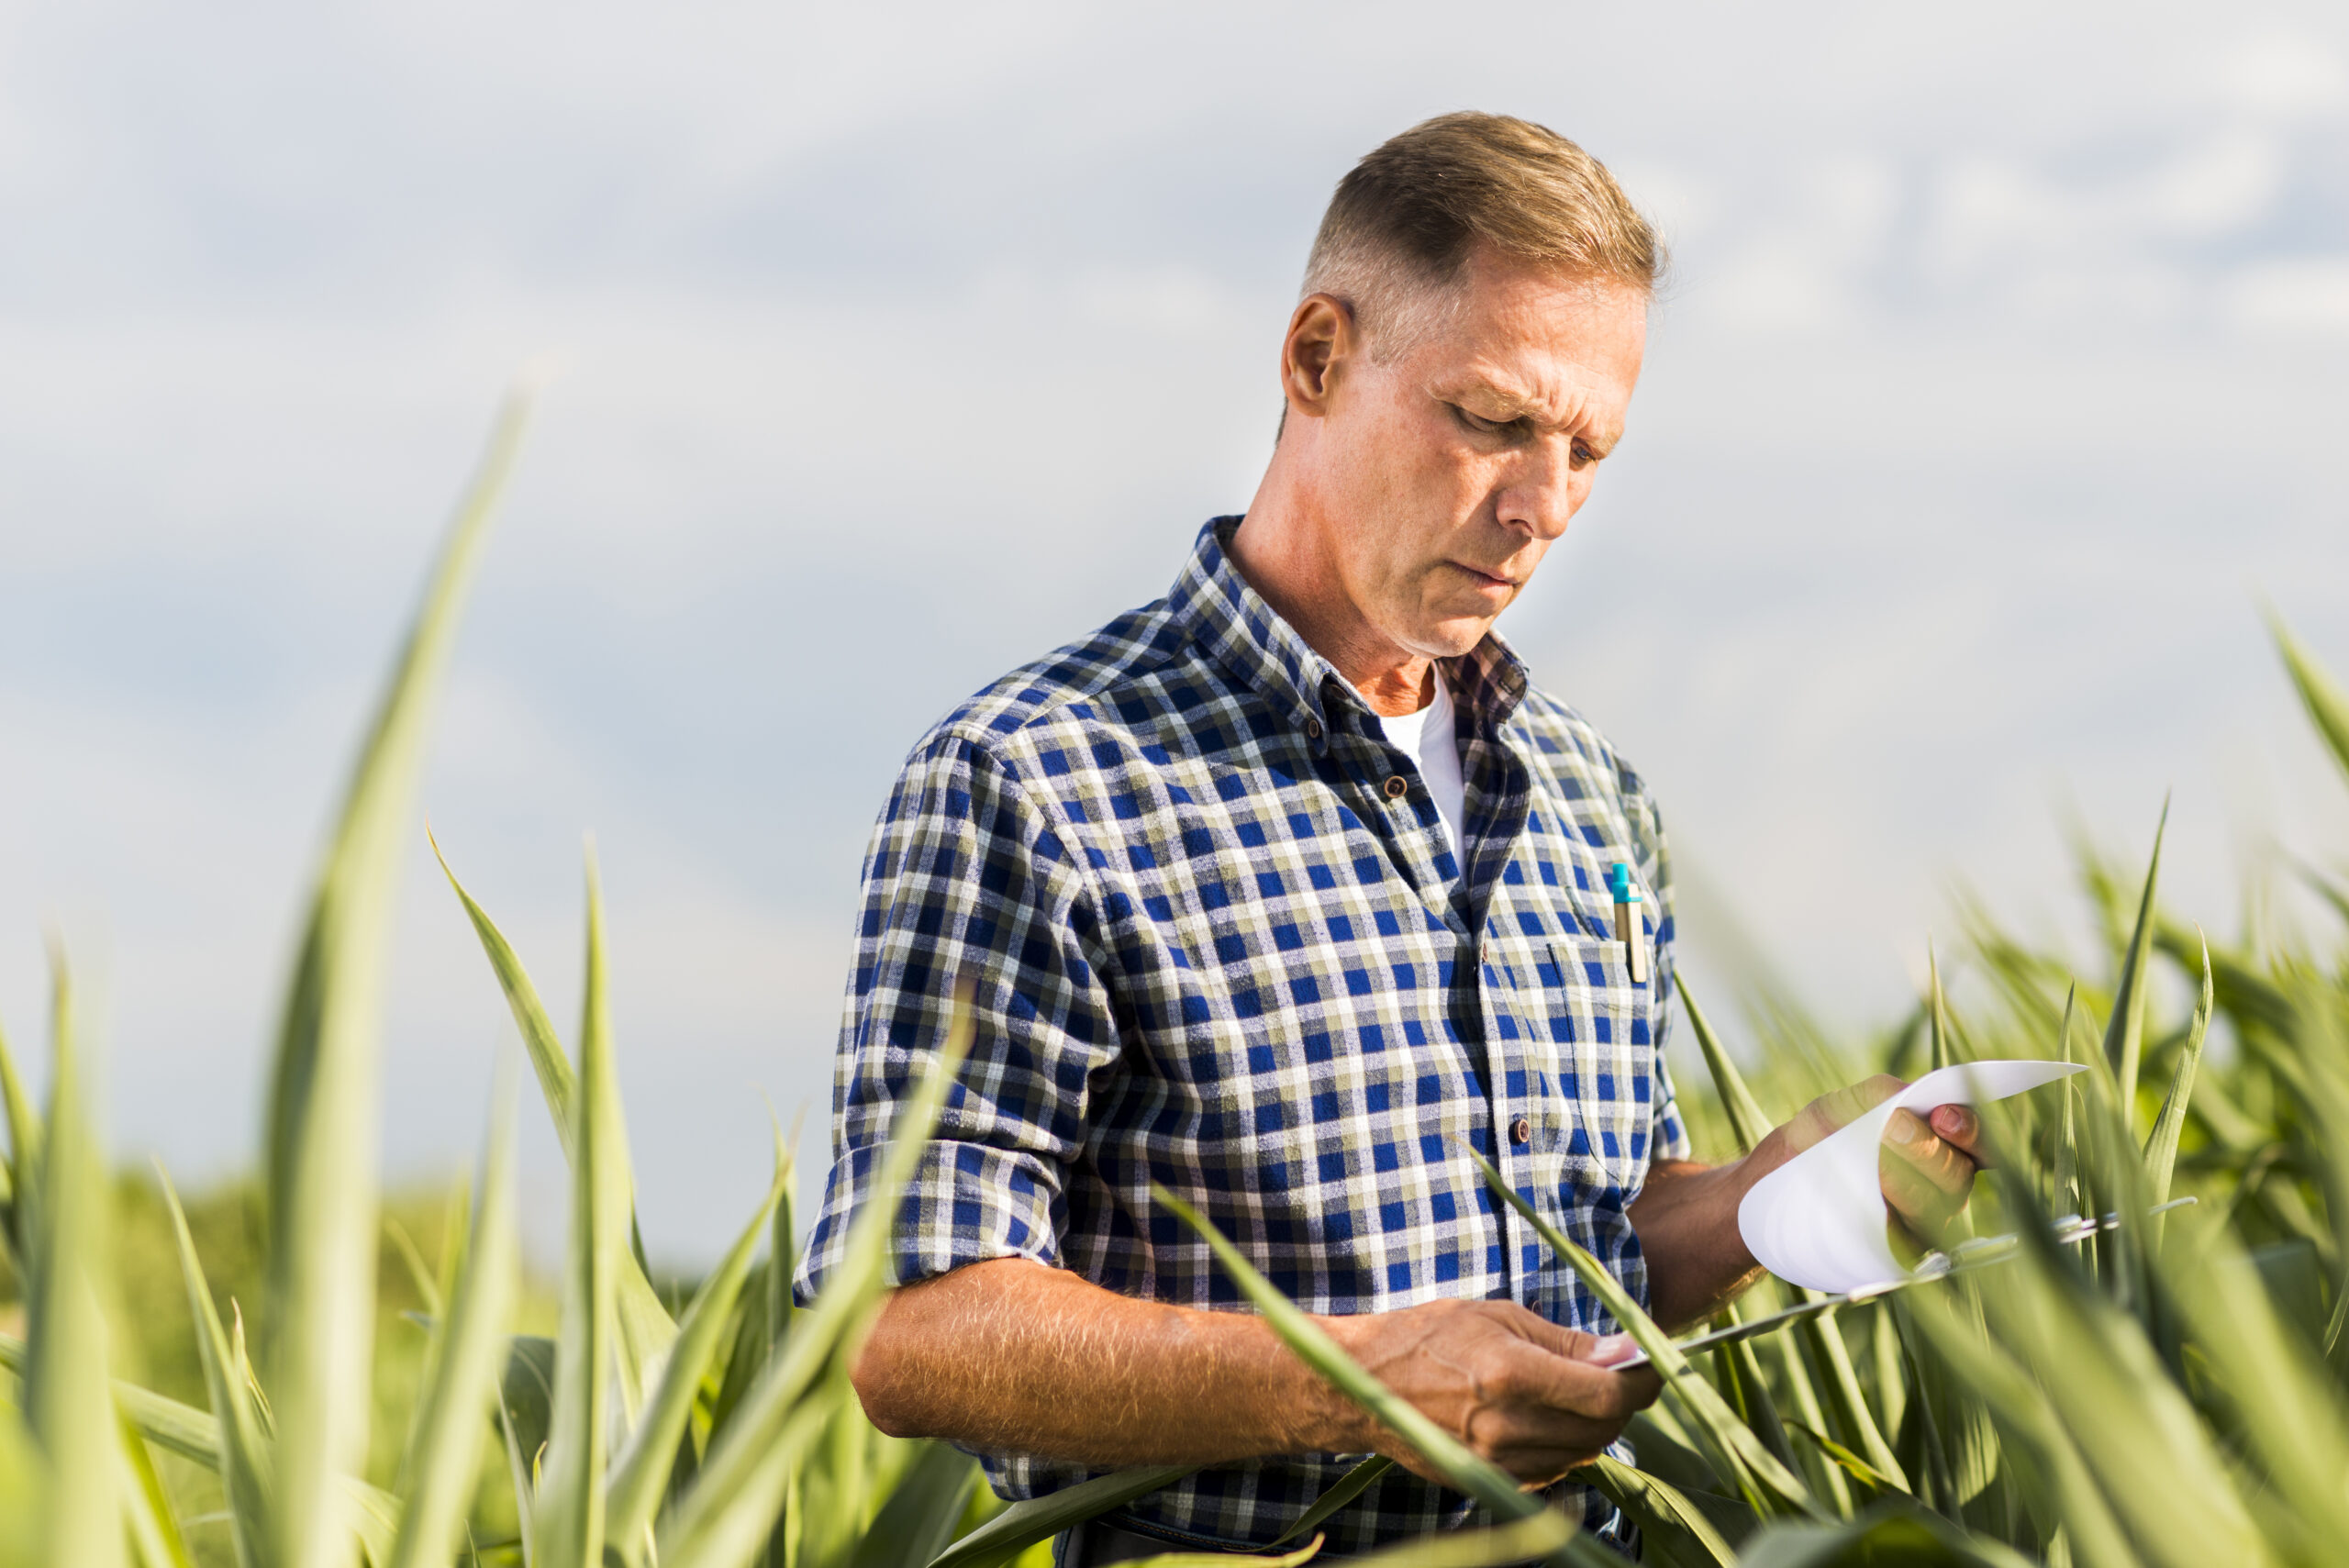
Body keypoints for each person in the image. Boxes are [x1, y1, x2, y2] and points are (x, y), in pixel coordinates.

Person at [795, 112, 1985, 1562]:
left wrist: (1762, 1200)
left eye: (1588, 448)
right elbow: (906, 1325)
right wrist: (1354, 1388)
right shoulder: (1032, 783)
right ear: (1316, 360)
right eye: (1492, 419)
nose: (1543, 505)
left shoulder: (1588, 797)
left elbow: (1591, 1268)